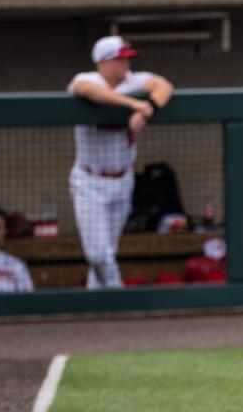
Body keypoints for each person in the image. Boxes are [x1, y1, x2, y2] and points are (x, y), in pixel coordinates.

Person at [68, 35, 175, 289]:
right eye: (121, 59)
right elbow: (84, 90)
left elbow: (164, 85)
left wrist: (148, 106)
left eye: (127, 58)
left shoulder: (133, 81)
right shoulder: (87, 80)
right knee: (98, 255)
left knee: (107, 254)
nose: (127, 64)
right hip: (90, 181)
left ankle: (96, 309)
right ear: (104, 62)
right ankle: (118, 298)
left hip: (123, 180)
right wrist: (131, 104)